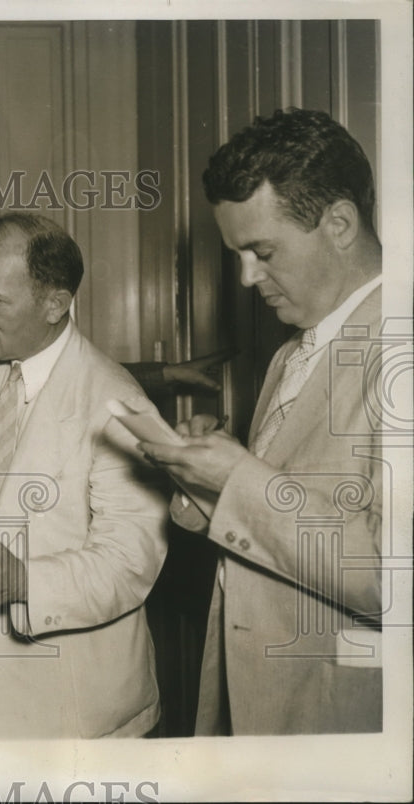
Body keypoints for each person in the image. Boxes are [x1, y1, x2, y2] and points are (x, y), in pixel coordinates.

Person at [140, 108, 383, 735]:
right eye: (239, 255)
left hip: (339, 720)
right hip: (260, 702)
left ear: (339, 224)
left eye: (262, 251)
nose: (248, 277)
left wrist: (241, 479)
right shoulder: (290, 352)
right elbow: (288, 516)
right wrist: (203, 477)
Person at [0, 212, 169, 741]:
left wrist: (24, 582)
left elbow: (130, 562)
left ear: (55, 303)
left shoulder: (118, 401)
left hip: (73, 716)